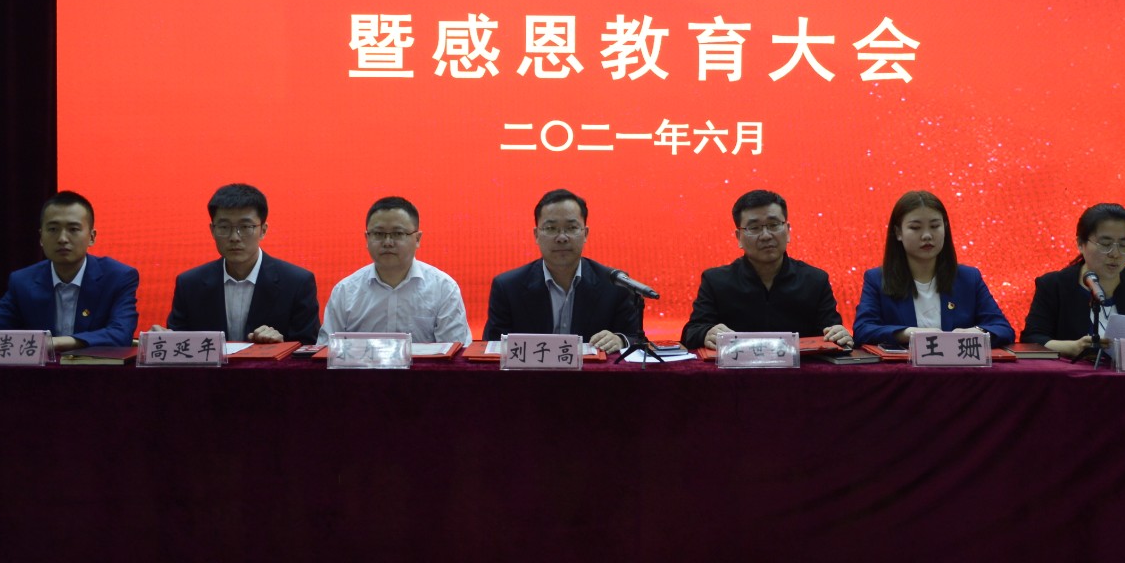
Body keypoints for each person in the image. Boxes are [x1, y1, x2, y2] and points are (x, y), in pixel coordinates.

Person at [680, 188, 855, 351]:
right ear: (739, 237)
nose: (765, 235)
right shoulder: (715, 281)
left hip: (800, 372)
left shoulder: (815, 280)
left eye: (774, 225)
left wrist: (839, 334)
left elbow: (832, 332)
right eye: (754, 228)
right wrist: (705, 333)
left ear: (788, 230)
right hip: (737, 372)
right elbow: (691, 332)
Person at [0, 191, 139, 351]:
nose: (62, 239)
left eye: (73, 229)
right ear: (41, 237)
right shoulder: (22, 281)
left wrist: (54, 343)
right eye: (53, 229)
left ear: (91, 237)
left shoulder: (118, 277)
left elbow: (121, 334)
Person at [482, 188, 643, 354]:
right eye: (551, 228)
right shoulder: (508, 287)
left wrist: (620, 340)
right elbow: (491, 346)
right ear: (536, 235)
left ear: (585, 233)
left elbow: (636, 338)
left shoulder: (615, 284)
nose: (562, 237)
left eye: (571, 228)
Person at [1021, 202, 1125, 358]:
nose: (1115, 254)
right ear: (1080, 243)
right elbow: (1032, 339)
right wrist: (1072, 347)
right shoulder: (1053, 285)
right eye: (1105, 244)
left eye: (1124, 245)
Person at [853, 190, 1013, 348]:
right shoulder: (877, 279)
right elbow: (862, 330)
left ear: (945, 228)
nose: (927, 235)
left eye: (935, 226)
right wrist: (909, 334)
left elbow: (1003, 329)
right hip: (905, 365)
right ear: (898, 232)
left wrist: (977, 332)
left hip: (957, 364)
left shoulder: (969, 278)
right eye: (915, 228)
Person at [164, 183, 320, 344]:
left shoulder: (297, 283)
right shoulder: (189, 284)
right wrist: (161, 339)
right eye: (224, 227)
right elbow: (178, 344)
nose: (234, 237)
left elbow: (308, 348)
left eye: (245, 227)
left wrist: (281, 347)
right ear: (212, 230)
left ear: (263, 230)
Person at [317, 196, 471, 345]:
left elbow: (456, 353)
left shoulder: (444, 288)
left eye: (398, 234)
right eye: (378, 234)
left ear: (417, 239)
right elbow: (326, 351)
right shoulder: (345, 291)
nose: (388, 242)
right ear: (367, 238)